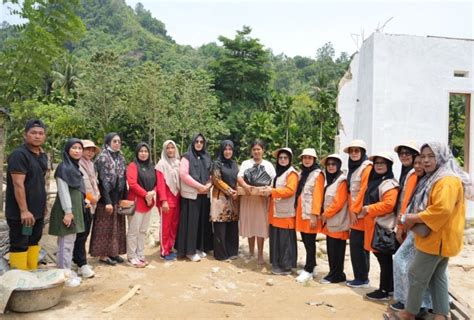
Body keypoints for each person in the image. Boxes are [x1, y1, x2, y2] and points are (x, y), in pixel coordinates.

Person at [395, 142, 468, 320]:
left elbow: (441, 210)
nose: (426, 160)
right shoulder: (436, 176)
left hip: (437, 239)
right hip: (438, 238)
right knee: (437, 276)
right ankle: (441, 314)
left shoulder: (446, 180)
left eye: (431, 156)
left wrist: (413, 218)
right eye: (423, 156)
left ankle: (409, 313)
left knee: (415, 274)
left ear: (441, 156)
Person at [391, 154, 432, 314]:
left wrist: (406, 221)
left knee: (407, 263)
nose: (418, 166)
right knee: (406, 263)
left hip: (423, 229)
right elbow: (408, 204)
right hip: (413, 227)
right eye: (416, 163)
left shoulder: (431, 181)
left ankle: (415, 303)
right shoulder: (417, 179)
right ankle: (409, 301)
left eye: (421, 163)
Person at [6, 119, 48, 270]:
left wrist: (43, 206)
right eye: (33, 133)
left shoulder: (42, 155)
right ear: (25, 135)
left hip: (36, 212)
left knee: (33, 241)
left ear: (44, 137)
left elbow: (39, 182)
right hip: (21, 213)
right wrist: (24, 210)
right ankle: (19, 279)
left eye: (41, 133)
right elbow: (18, 184)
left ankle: (31, 273)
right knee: (19, 243)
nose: (37, 136)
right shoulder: (19, 155)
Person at [360, 152, 399, 300]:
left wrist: (368, 209)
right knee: (382, 258)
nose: (379, 165)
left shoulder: (389, 183)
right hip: (374, 226)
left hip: (383, 227)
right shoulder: (376, 181)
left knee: (384, 259)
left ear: (389, 166)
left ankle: (384, 290)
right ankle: (388, 288)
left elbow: (389, 205)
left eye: (383, 163)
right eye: (377, 163)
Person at [48, 138, 86, 287]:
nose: (77, 151)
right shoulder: (63, 168)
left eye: (79, 148)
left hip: (74, 209)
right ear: (67, 150)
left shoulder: (74, 167)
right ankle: (63, 274)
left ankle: (67, 271)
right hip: (67, 210)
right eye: (74, 148)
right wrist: (68, 212)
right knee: (65, 243)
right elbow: (63, 192)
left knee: (70, 242)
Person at [89, 133, 127, 265]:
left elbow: (124, 178)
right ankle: (103, 255)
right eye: (114, 141)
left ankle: (113, 252)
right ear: (108, 142)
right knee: (104, 227)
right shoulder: (102, 158)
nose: (117, 143)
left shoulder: (121, 157)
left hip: (118, 196)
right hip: (105, 198)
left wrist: (124, 199)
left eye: (119, 141)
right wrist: (107, 201)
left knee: (116, 226)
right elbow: (101, 180)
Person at [126, 142, 165, 267]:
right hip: (137, 202)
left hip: (148, 203)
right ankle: (132, 256)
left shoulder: (151, 167)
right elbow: (132, 184)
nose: (143, 154)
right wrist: (145, 194)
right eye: (141, 151)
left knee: (143, 230)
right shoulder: (133, 166)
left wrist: (152, 193)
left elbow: (156, 183)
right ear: (137, 153)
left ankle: (140, 254)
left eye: (146, 151)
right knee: (133, 231)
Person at [237, 139, 276, 265]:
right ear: (251, 151)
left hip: (261, 200)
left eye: (259, 149)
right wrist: (246, 186)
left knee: (260, 226)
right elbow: (239, 177)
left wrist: (266, 190)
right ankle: (250, 252)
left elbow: (272, 181)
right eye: (254, 149)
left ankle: (260, 254)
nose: (256, 152)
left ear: (263, 151)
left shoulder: (269, 165)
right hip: (248, 197)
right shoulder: (245, 163)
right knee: (250, 224)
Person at [176, 133, 213, 262]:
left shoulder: (207, 157)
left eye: (201, 142)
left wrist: (208, 185)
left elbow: (210, 174)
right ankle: (189, 251)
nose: (199, 144)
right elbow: (183, 174)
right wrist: (199, 186)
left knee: (201, 223)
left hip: (204, 195)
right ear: (192, 142)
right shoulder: (186, 157)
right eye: (196, 141)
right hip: (191, 196)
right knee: (191, 224)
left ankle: (198, 248)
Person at [343, 139, 373, 288]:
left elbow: (363, 190)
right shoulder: (354, 168)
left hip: (361, 214)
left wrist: (355, 210)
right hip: (354, 213)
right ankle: (359, 277)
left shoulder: (366, 167)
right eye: (352, 151)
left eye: (357, 151)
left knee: (359, 245)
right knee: (356, 245)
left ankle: (362, 278)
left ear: (362, 152)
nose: (354, 153)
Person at [266, 148, 298, 275]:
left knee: (285, 241)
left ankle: (286, 266)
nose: (283, 160)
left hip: (285, 213)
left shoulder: (292, 173)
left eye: (285, 158)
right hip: (275, 212)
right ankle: (276, 263)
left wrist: (272, 192)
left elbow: (290, 190)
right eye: (280, 158)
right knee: (276, 239)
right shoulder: (278, 173)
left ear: (289, 159)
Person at [294, 148, 324, 282]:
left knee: (310, 242)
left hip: (310, 213)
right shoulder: (302, 173)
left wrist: (314, 214)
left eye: (309, 158)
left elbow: (318, 196)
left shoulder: (318, 174)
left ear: (314, 160)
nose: (307, 160)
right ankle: (312, 265)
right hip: (301, 212)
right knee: (306, 241)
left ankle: (309, 269)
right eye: (305, 157)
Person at [320, 154, 350, 284]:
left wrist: (326, 214)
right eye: (329, 164)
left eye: (333, 164)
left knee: (337, 250)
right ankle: (335, 273)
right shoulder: (332, 180)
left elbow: (338, 202)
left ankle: (335, 275)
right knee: (332, 249)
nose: (331, 166)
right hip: (331, 222)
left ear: (338, 166)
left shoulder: (341, 181)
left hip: (338, 221)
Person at [73, 139, 101, 279]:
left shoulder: (90, 165)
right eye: (87, 149)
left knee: (84, 235)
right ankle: (81, 263)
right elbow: (80, 187)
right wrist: (91, 197)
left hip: (92, 204)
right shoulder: (77, 165)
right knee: (80, 235)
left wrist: (97, 195)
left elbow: (93, 183)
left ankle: (78, 262)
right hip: (83, 204)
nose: (89, 152)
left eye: (92, 150)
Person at [210, 140, 240, 261]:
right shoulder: (216, 163)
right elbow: (216, 180)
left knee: (232, 226)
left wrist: (237, 191)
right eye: (225, 149)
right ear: (222, 150)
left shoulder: (234, 164)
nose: (228, 152)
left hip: (233, 199)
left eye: (230, 149)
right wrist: (229, 190)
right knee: (220, 227)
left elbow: (238, 178)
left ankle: (232, 251)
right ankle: (221, 254)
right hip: (220, 199)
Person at [156, 140, 181, 261]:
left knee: (174, 225)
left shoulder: (178, 162)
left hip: (177, 199)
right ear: (164, 150)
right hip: (167, 200)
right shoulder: (161, 164)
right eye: (168, 148)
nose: (170, 150)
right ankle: (163, 251)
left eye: (172, 148)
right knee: (165, 226)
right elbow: (160, 184)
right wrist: (164, 200)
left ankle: (170, 248)